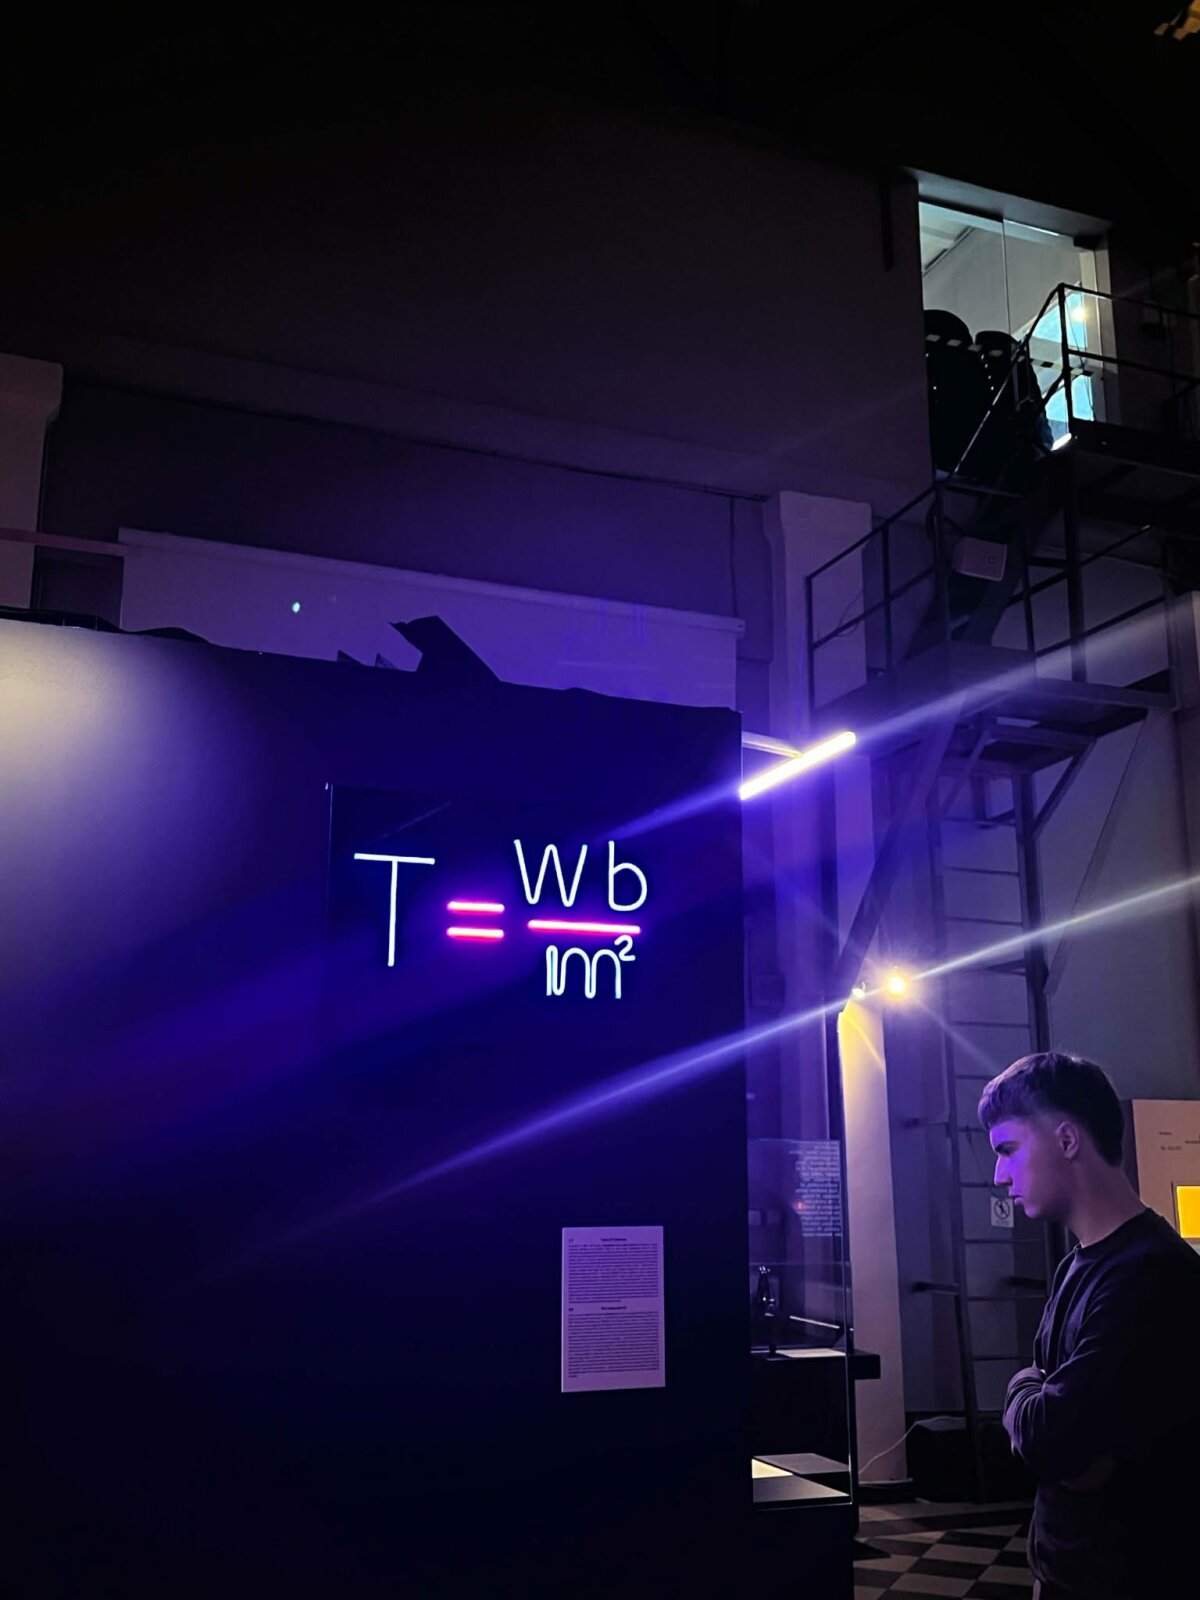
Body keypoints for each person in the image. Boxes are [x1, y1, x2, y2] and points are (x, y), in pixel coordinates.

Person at [979, 1051, 1200, 1599]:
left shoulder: (1152, 1274)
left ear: (1067, 1140)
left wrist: (1028, 1391)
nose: (999, 1175)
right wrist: (1036, 1395)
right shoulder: (1078, 1264)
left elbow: (1052, 1440)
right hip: (1065, 1569)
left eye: (1008, 1149)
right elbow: (1061, 1441)